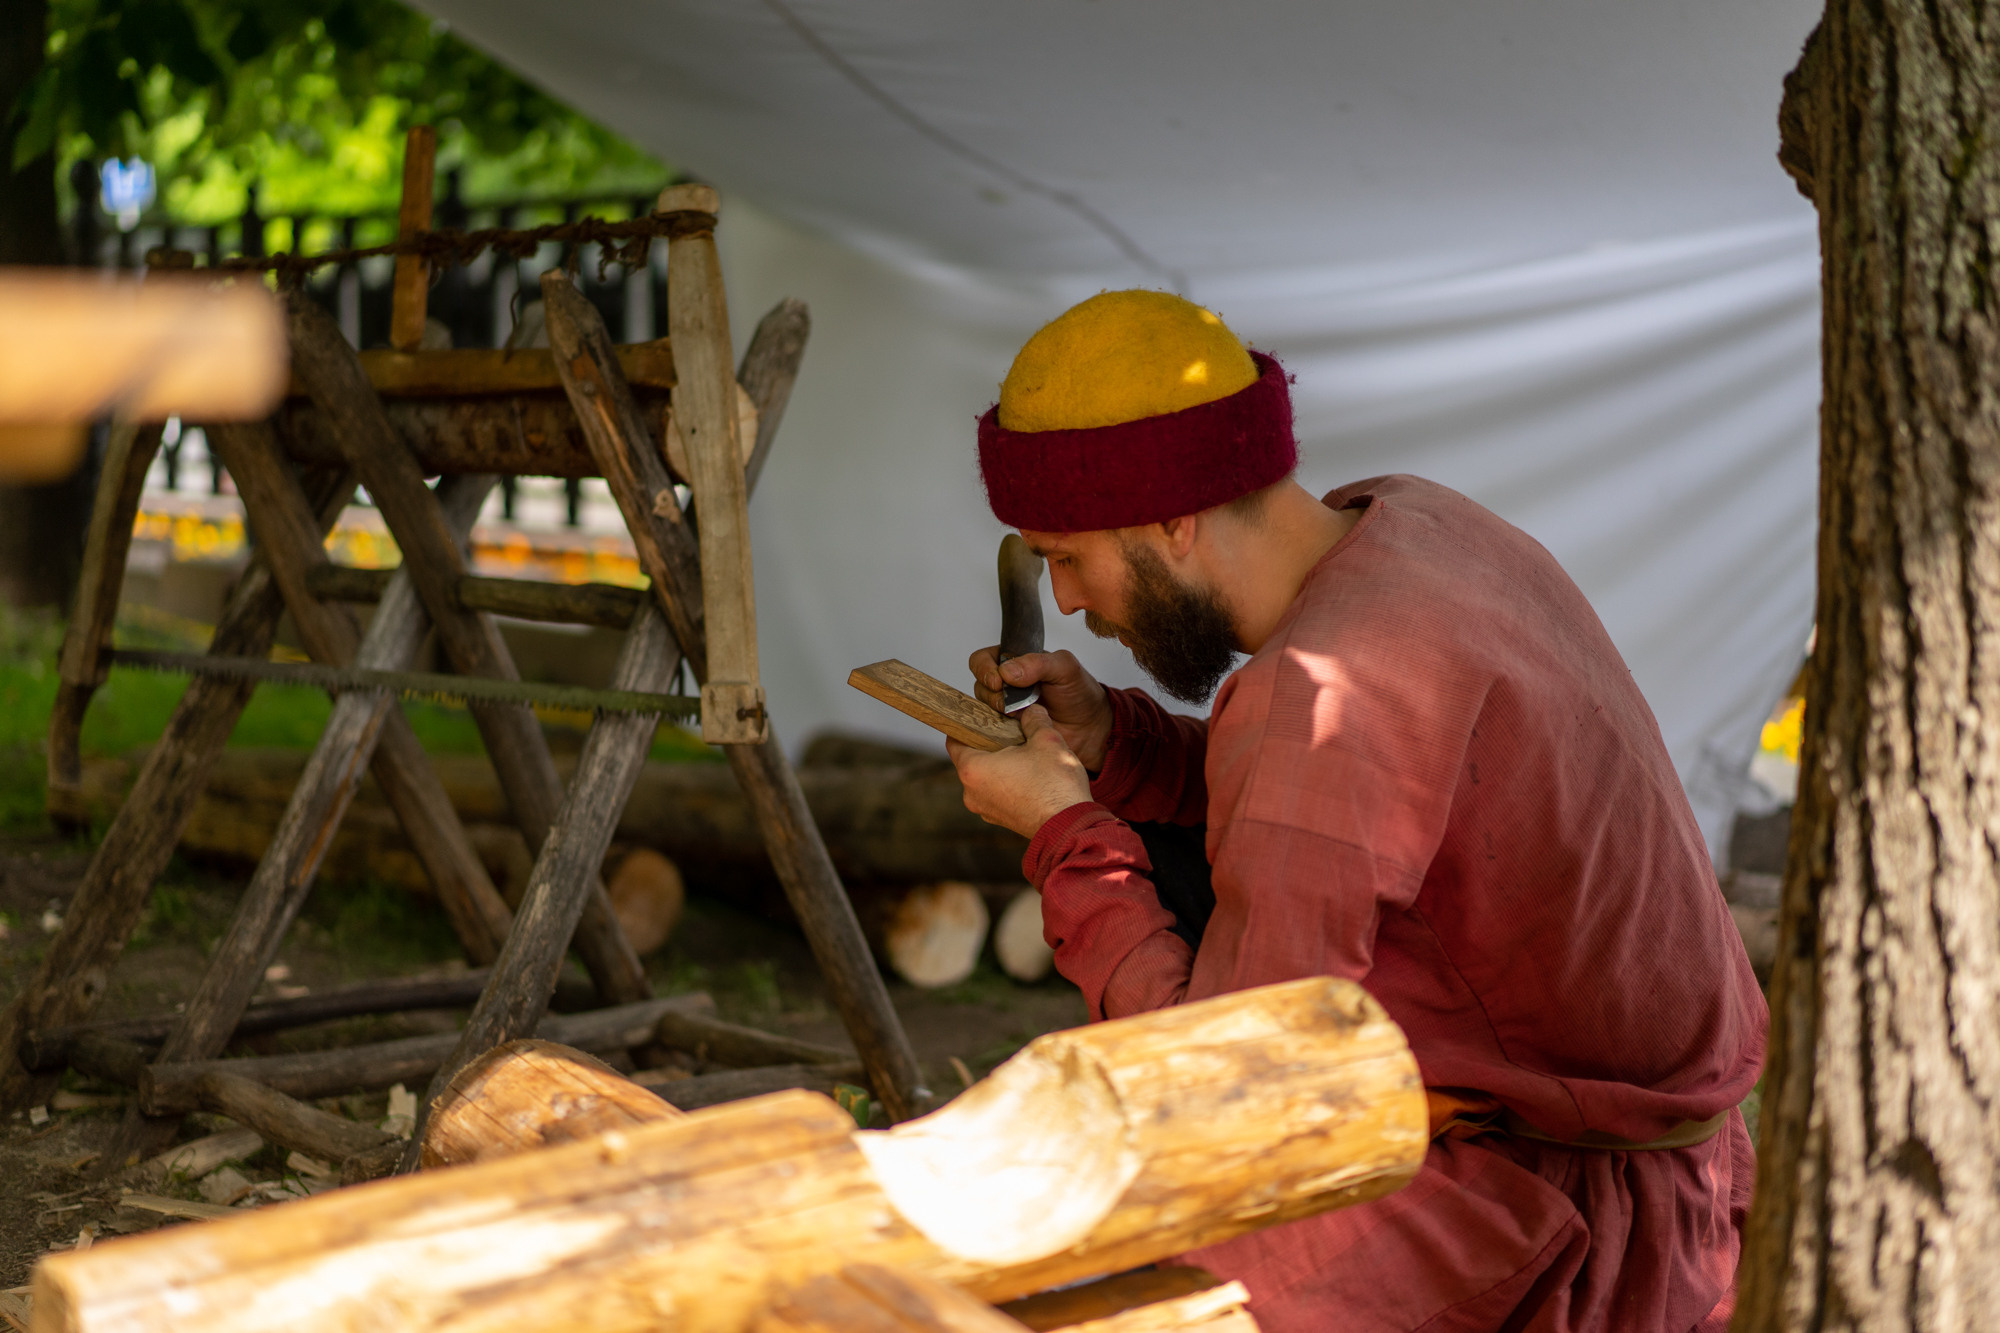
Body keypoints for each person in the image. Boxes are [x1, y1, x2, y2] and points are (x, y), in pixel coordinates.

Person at [948, 290, 1767, 1333]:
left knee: (1094, 1280)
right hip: (1645, 1152)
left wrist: (1065, 835)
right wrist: (1121, 743)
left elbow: (1230, 1084)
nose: (1064, 600)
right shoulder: (1418, 523)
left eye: (1068, 555)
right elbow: (1354, 807)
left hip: (1557, 1215)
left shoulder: (1317, 690)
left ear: (1171, 520)